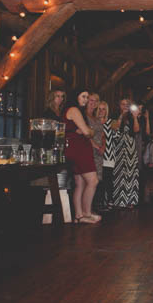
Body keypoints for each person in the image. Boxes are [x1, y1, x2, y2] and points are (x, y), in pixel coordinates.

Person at [63, 89, 100, 224]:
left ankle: (79, 215)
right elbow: (87, 132)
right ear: (75, 96)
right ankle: (86, 213)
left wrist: (84, 131)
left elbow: (81, 131)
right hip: (79, 149)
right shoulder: (74, 109)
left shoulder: (74, 110)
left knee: (80, 183)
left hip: (75, 148)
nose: (85, 99)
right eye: (83, 96)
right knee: (93, 181)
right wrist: (89, 130)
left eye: (87, 97)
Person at [111, 99, 140, 208]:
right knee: (119, 173)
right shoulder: (115, 115)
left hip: (130, 147)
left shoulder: (131, 117)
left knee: (131, 173)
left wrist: (135, 117)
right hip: (119, 147)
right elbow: (115, 128)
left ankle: (131, 200)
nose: (125, 106)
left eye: (127, 104)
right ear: (119, 105)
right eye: (123, 104)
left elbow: (136, 130)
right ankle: (119, 200)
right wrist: (121, 116)